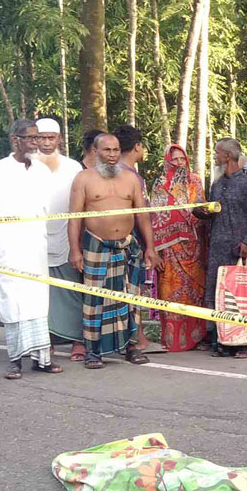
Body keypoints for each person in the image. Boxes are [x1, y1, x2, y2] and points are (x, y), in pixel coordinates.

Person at [68, 134, 159, 369]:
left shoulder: (131, 179)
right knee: (94, 300)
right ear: (95, 151)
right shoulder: (83, 179)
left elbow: (143, 216)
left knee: (131, 299)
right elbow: (74, 219)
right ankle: (93, 352)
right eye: (106, 150)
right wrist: (75, 251)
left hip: (128, 246)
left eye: (116, 150)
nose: (112, 155)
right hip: (96, 246)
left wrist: (150, 247)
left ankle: (131, 346)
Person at [0, 119, 64, 379]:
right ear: (14, 139)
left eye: (37, 138)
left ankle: (42, 359)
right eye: (30, 138)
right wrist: (2, 242)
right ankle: (15, 359)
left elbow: (45, 210)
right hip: (9, 246)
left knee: (38, 300)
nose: (35, 142)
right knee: (13, 301)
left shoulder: (42, 171)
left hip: (37, 246)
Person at [194, 138, 247, 358]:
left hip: (241, 251)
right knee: (220, 297)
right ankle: (223, 342)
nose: (214, 156)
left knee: (242, 298)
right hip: (218, 249)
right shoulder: (217, 184)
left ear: (227, 156)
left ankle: (244, 344)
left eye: (217, 153)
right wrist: (202, 212)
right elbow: (212, 212)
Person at [35, 118, 87, 362]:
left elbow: (82, 205)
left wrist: (78, 243)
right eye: (41, 137)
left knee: (72, 290)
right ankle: (46, 340)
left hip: (68, 237)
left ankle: (78, 340)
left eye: (51, 138)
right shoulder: (26, 165)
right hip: (34, 238)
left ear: (59, 140)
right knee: (40, 291)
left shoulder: (73, 167)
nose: (46, 143)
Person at [149, 144, 208, 352]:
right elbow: (155, 218)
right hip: (170, 249)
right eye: (175, 160)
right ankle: (173, 340)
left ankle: (197, 338)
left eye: (182, 159)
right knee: (171, 290)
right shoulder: (160, 184)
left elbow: (201, 207)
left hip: (195, 246)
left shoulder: (196, 181)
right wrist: (154, 250)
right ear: (167, 160)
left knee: (195, 292)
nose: (179, 163)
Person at [113, 124, 154, 351]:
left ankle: (129, 336)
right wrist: (150, 246)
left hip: (112, 240)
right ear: (137, 147)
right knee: (132, 290)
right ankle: (136, 336)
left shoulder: (110, 172)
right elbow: (143, 215)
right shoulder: (132, 177)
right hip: (131, 241)